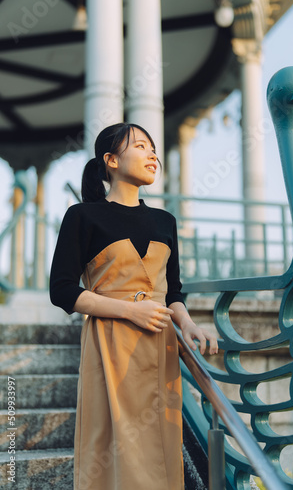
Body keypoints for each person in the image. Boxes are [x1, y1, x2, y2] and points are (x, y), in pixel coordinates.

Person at [49, 122, 218, 490]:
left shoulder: (165, 221)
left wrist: (188, 325)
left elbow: (174, 291)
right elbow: (62, 290)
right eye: (140, 146)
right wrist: (130, 310)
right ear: (110, 160)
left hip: (161, 343)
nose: (152, 154)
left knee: (161, 442)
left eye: (153, 147)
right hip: (110, 345)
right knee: (110, 443)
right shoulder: (82, 216)